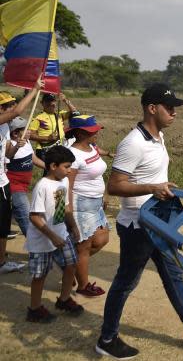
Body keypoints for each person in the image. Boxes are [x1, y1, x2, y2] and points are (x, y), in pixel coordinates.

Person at [96, 83, 183, 359]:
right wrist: (152, 188)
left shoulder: (157, 137)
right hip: (138, 226)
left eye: (175, 108)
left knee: (173, 276)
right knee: (125, 283)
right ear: (152, 108)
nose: (174, 113)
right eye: (169, 108)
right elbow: (115, 185)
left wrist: (160, 188)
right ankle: (107, 339)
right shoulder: (133, 143)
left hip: (157, 223)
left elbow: (148, 177)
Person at [26, 145, 84, 322]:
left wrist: (72, 226)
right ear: (53, 166)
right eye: (66, 166)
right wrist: (52, 236)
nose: (69, 170)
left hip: (61, 234)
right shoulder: (42, 186)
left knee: (71, 264)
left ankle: (64, 299)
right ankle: (34, 309)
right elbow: (35, 217)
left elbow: (65, 206)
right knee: (40, 275)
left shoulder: (63, 181)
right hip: (42, 240)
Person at [0, 80, 44, 275]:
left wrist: (18, 145)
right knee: (19, 220)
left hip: (4, 182)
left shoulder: (4, 129)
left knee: (3, 224)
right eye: (7, 105)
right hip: (5, 183)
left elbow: (7, 155)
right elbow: (18, 112)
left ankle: (2, 260)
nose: (11, 107)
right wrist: (35, 89)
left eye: (11, 103)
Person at [66, 115, 110, 297]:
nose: (97, 134)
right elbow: (66, 185)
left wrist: (104, 195)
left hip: (96, 202)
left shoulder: (92, 148)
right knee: (83, 246)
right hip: (80, 204)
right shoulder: (72, 155)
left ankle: (69, 266)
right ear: (80, 133)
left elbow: (98, 173)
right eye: (93, 131)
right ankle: (83, 285)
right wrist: (66, 212)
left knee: (101, 239)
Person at [5, 116, 46, 236]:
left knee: (11, 211)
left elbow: (32, 158)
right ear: (15, 133)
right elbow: (9, 156)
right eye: (26, 129)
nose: (30, 131)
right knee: (26, 215)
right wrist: (17, 146)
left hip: (24, 185)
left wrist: (48, 166)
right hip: (15, 186)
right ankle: (35, 247)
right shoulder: (9, 146)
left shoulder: (27, 142)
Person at [28, 92, 79, 170]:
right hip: (44, 150)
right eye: (47, 101)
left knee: (57, 171)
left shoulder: (59, 114)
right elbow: (30, 135)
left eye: (52, 101)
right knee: (52, 171)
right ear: (42, 103)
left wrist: (65, 100)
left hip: (58, 148)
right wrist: (47, 138)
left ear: (55, 102)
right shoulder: (38, 118)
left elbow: (75, 112)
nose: (51, 103)